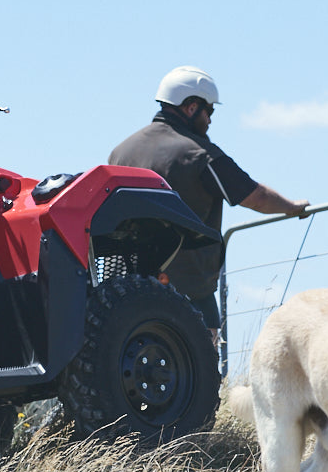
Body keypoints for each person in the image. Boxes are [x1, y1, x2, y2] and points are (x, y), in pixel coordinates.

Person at [109, 66, 309, 341]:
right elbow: (255, 196)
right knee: (200, 356)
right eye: (209, 112)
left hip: (129, 281)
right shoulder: (199, 154)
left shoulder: (121, 152)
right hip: (188, 281)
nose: (210, 121)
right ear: (191, 107)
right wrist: (292, 206)